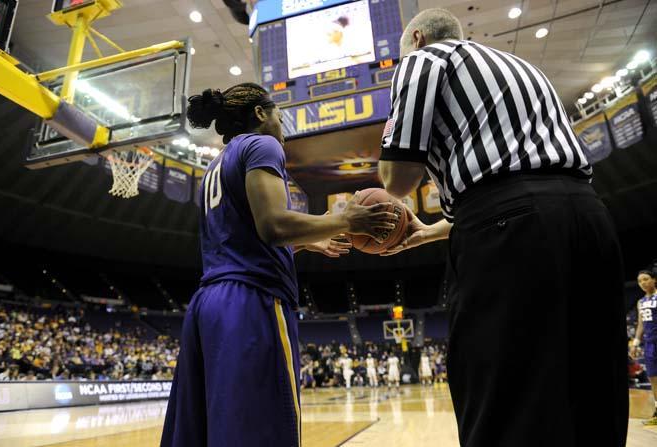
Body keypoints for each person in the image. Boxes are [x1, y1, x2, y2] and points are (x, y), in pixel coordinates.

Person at [378, 8, 627, 446]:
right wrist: (434, 229)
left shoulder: (423, 60)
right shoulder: (525, 68)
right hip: (588, 216)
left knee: (504, 399)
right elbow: (523, 180)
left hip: (508, 229)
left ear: (416, 37)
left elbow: (399, 180)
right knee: (592, 387)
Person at [160, 83, 398, 447]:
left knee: (208, 428)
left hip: (208, 304)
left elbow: (241, 241)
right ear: (260, 114)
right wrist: (345, 220)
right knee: (263, 428)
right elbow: (272, 226)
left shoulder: (216, 164)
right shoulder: (262, 145)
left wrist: (305, 241)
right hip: (250, 303)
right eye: (279, 116)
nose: (282, 127)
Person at [631, 270, 657, 425]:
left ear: (654, 279)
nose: (643, 283)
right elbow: (640, 324)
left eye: (646, 279)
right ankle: (656, 411)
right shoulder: (641, 302)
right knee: (653, 378)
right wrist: (635, 342)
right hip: (649, 343)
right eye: (640, 281)